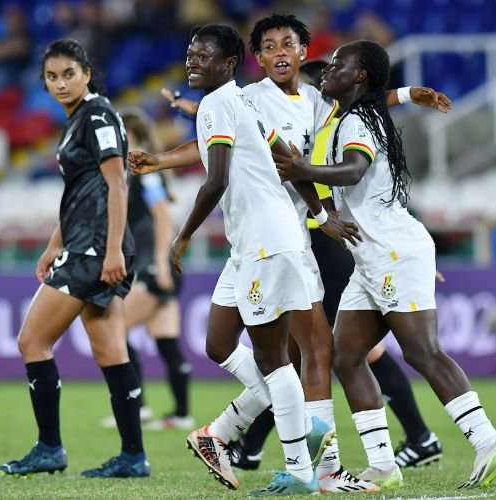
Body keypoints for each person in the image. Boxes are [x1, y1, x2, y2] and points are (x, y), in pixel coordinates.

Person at [158, 14, 450, 488]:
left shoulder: (316, 100)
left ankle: (318, 462)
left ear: (301, 51)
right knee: (227, 346)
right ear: (253, 58)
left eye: (287, 44)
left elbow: (352, 107)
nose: (278, 52)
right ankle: (238, 431)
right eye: (269, 45)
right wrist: (161, 160)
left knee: (310, 349)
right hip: (257, 237)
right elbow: (223, 145)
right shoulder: (245, 98)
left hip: (289, 235)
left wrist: (407, 94)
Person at [131, 23, 364, 496]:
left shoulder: (220, 103)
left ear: (229, 63)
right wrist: (320, 214)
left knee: (275, 358)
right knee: (218, 343)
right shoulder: (245, 103)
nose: (192, 61)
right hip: (251, 245)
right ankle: (275, 423)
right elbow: (287, 158)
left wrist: (180, 238)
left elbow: (215, 180)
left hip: (267, 242)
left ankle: (300, 470)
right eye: (190, 53)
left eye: (202, 56)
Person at [274, 39, 496, 490]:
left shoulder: (357, 122)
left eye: (340, 64)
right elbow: (378, 96)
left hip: (391, 252)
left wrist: (301, 169)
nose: (328, 68)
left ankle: (488, 441)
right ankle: (384, 465)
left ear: (358, 76)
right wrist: (406, 94)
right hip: (370, 255)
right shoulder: (343, 112)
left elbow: (351, 171)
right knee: (346, 357)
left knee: (423, 352)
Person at [0, 39, 149, 479]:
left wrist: (113, 248)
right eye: (51, 76)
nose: (60, 83)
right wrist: (52, 244)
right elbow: (85, 191)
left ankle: (49, 448)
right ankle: (133, 456)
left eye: (68, 74)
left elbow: (117, 183)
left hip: (94, 249)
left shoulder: (97, 114)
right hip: (86, 244)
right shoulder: (80, 119)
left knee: (32, 341)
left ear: (86, 72)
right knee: (110, 352)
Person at [101, 108, 193, 431]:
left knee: (114, 326)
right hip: (156, 266)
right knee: (166, 340)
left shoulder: (145, 172)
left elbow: (164, 217)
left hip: (156, 267)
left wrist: (160, 264)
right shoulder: (133, 172)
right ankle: (182, 414)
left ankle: (136, 406)